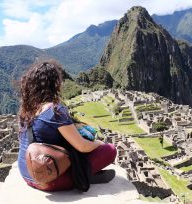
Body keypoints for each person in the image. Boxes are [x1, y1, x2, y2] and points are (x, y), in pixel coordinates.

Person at [17, 60, 117, 191]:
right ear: (55, 84)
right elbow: (82, 146)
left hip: (27, 174)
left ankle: (81, 175)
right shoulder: (54, 111)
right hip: (49, 179)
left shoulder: (26, 110)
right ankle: (81, 177)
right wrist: (99, 143)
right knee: (110, 150)